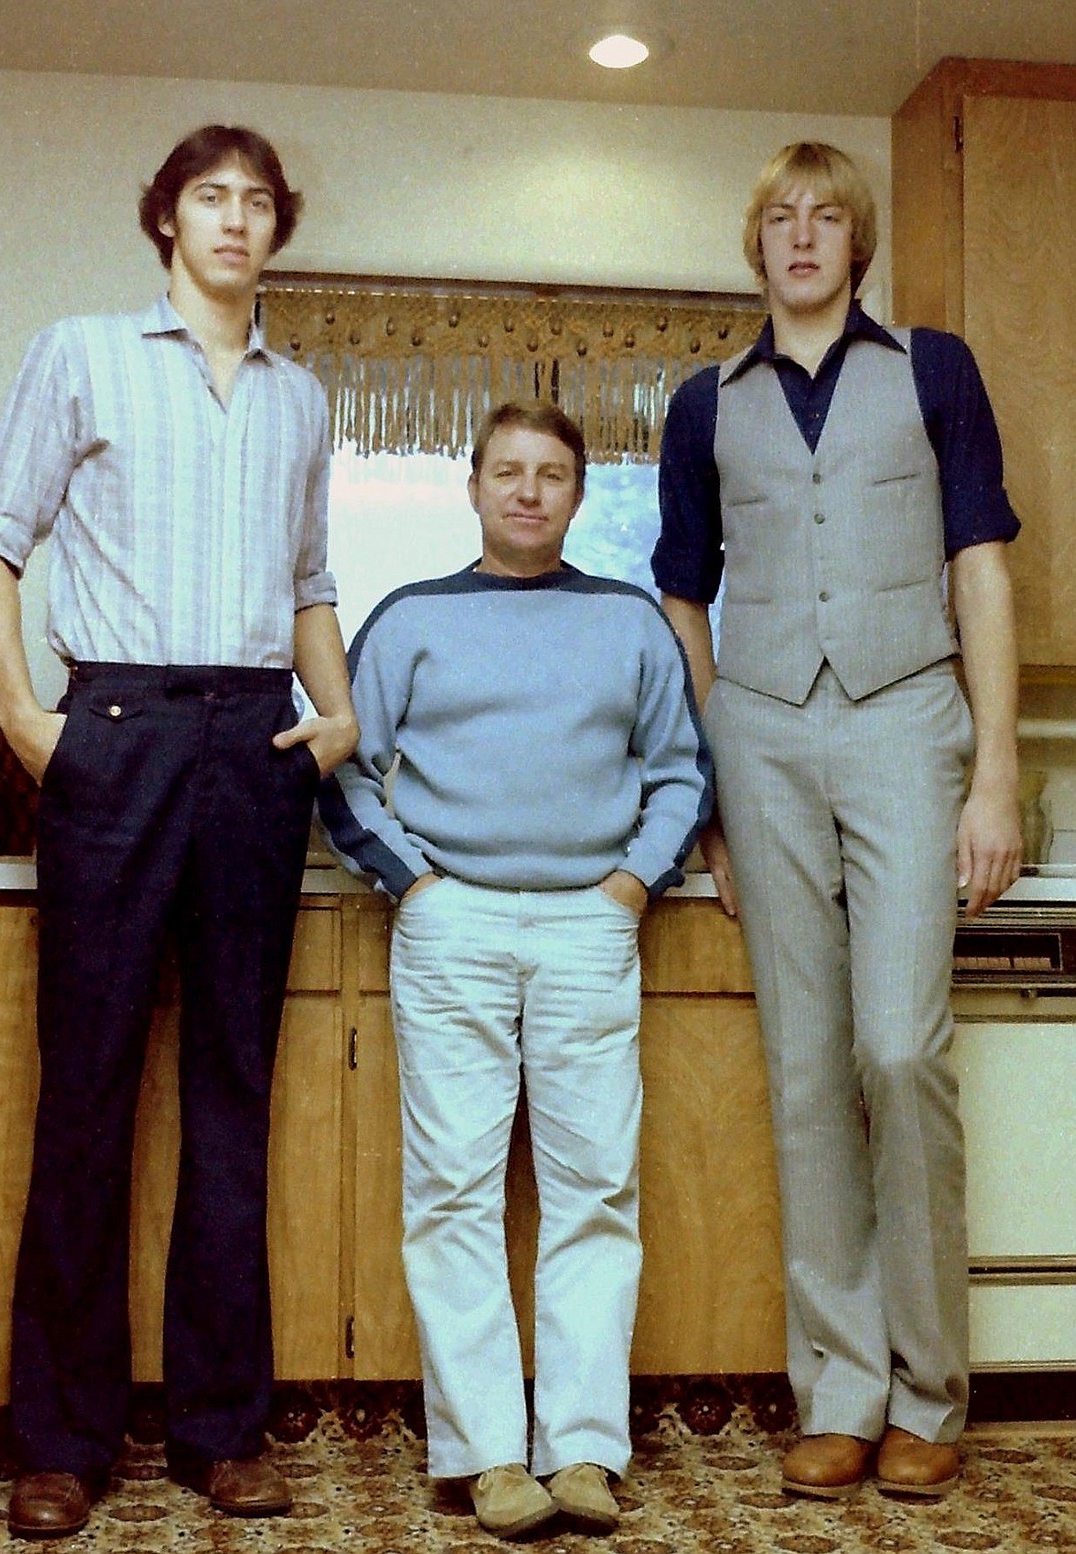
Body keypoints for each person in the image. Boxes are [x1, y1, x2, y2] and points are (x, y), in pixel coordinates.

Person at [0, 124, 359, 1539]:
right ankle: (59, 1439)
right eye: (209, 198)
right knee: (88, 1091)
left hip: (256, 744)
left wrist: (340, 707)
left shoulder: (303, 397)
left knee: (232, 1096)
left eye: (257, 201)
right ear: (166, 222)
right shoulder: (81, 352)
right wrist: (23, 715)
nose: (235, 220)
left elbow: (307, 578)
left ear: (275, 229)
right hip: (112, 732)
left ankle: (220, 1429)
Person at [654, 141, 1022, 1501]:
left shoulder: (932, 369)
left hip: (902, 723)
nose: (801, 235)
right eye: (778, 218)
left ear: (853, 245)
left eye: (825, 216)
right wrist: (715, 805)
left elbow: (976, 569)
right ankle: (840, 1387)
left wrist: (990, 773)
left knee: (893, 1049)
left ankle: (929, 1388)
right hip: (757, 735)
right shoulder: (700, 404)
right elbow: (681, 597)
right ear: (752, 246)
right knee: (804, 1071)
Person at [320, 400, 712, 1540]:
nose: (528, 491)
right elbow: (345, 765)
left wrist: (632, 884)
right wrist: (416, 885)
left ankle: (585, 1450)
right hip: (452, 930)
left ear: (580, 495)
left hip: (592, 925)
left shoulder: (629, 622)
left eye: (551, 474)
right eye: (507, 472)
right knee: (453, 1192)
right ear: (475, 486)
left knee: (596, 1191)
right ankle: (489, 1454)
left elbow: (680, 771)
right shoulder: (409, 621)